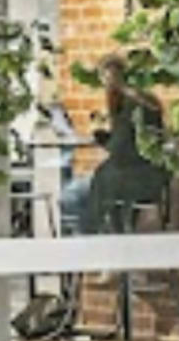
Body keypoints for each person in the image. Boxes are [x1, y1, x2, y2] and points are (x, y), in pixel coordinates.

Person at [62, 58, 171, 234]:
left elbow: (122, 147)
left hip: (135, 177)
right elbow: (129, 140)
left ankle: (94, 235)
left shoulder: (131, 106)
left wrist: (106, 141)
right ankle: (115, 231)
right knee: (98, 182)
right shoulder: (145, 101)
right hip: (148, 173)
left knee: (74, 193)